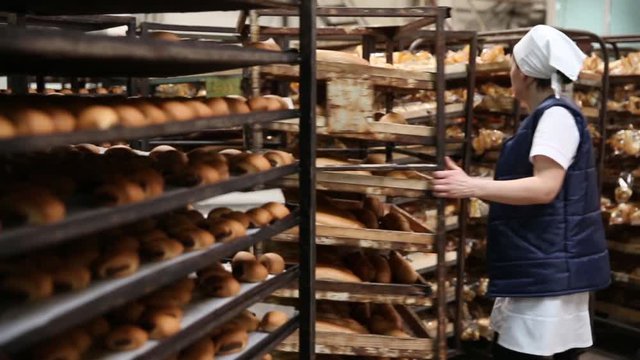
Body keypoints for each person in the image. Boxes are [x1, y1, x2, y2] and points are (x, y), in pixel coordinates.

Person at [433, 25, 610, 359]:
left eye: (513, 64)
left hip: (547, 270)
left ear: (527, 73)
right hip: (544, 262)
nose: (509, 71)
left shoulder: (556, 117)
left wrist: (471, 186)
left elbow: (545, 187)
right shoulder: (549, 115)